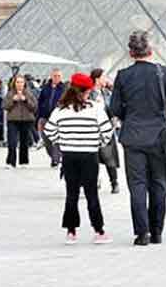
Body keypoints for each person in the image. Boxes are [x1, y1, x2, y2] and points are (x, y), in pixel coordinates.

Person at [109, 30, 166, 245]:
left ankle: (142, 234)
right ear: (150, 51)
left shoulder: (123, 76)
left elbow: (114, 108)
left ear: (131, 52)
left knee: (137, 185)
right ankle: (157, 231)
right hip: (159, 137)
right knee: (159, 183)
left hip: (132, 138)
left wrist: (130, 118)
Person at [43, 73, 114, 244]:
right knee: (92, 194)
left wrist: (61, 141)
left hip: (69, 156)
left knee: (71, 193)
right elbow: (107, 131)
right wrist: (97, 142)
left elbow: (49, 131)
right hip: (89, 155)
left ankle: (71, 231)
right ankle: (99, 230)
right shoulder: (95, 108)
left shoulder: (60, 110)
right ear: (85, 91)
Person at [89, 68, 120, 194]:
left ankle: (114, 182)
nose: (106, 79)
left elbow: (112, 108)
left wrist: (114, 118)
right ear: (97, 79)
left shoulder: (107, 93)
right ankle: (94, 181)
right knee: (93, 157)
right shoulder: (89, 93)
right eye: (104, 77)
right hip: (92, 129)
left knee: (109, 157)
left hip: (106, 129)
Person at [4, 74, 37, 168]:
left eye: (21, 82)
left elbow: (34, 107)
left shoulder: (29, 93)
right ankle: (11, 162)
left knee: (24, 142)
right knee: (12, 142)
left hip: (26, 120)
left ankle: (23, 162)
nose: (19, 84)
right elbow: (5, 106)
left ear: (24, 83)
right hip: (12, 120)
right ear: (14, 83)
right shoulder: (10, 93)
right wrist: (13, 100)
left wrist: (26, 100)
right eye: (17, 82)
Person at [37, 68, 66, 168]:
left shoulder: (64, 89)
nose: (57, 78)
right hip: (45, 117)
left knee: (56, 139)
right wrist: (39, 115)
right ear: (51, 76)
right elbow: (40, 102)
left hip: (58, 118)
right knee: (46, 139)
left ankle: (56, 159)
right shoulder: (45, 88)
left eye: (58, 76)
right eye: (55, 76)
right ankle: (54, 156)